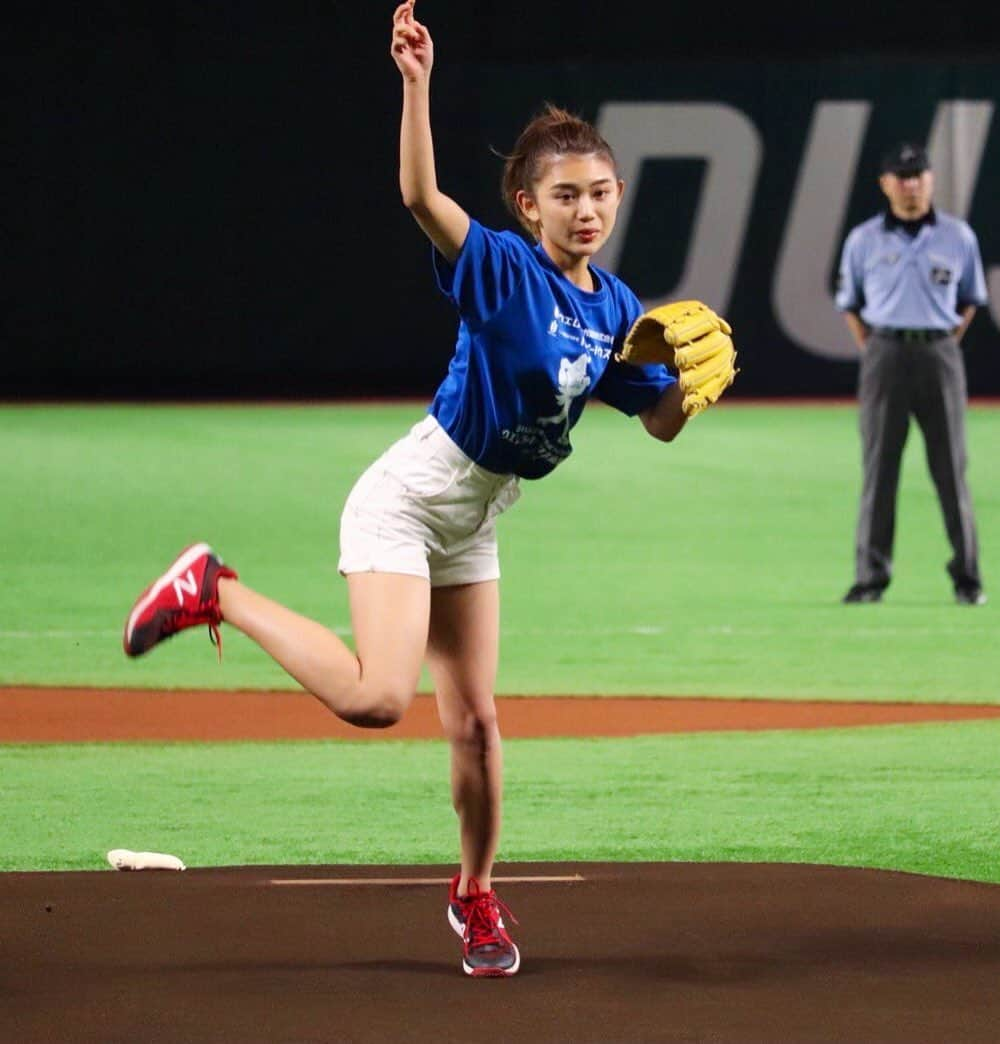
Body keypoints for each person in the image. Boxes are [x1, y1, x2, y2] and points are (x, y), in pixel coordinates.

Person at [122, 0, 721, 978]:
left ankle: (476, 896)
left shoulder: (613, 305)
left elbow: (653, 416)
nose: (589, 209)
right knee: (376, 697)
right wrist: (416, 83)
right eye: (567, 194)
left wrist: (690, 391)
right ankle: (213, 588)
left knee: (478, 725)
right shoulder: (500, 269)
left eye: (602, 192)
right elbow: (419, 198)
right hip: (412, 495)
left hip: (477, 519)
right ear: (530, 206)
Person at [834, 141, 989, 606]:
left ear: (931, 180)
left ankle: (968, 578)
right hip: (884, 351)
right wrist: (877, 348)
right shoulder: (863, 239)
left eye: (919, 175)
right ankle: (870, 578)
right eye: (902, 177)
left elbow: (968, 301)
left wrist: (941, 342)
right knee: (880, 469)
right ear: (885, 184)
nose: (912, 185)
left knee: (951, 470)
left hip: (940, 352)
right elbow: (851, 304)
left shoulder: (958, 237)